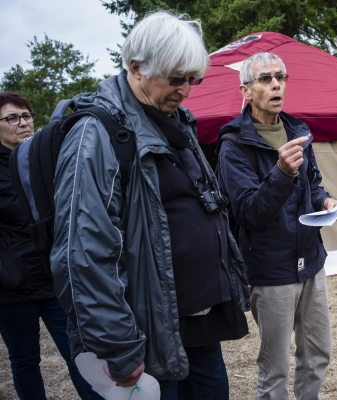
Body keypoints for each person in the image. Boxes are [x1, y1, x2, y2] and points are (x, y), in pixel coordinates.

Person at [49, 12, 249, 399]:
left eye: (194, 79)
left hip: (194, 322)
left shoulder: (176, 120)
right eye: (176, 78)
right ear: (136, 68)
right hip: (144, 334)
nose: (186, 90)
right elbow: (83, 254)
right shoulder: (96, 135)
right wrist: (119, 347)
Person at [216, 52, 337, 400]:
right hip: (271, 270)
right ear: (246, 90)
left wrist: (325, 202)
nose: (276, 84)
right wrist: (282, 173)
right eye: (265, 78)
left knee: (317, 354)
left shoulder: (298, 130)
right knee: (275, 369)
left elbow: (312, 183)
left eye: (281, 77)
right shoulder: (234, 145)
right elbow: (248, 212)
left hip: (311, 261)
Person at [0, 92, 101, 399]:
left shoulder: (42, 156)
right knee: (26, 359)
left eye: (26, 115)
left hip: (53, 275)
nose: (22, 123)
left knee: (78, 352)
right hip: (12, 283)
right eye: (12, 118)